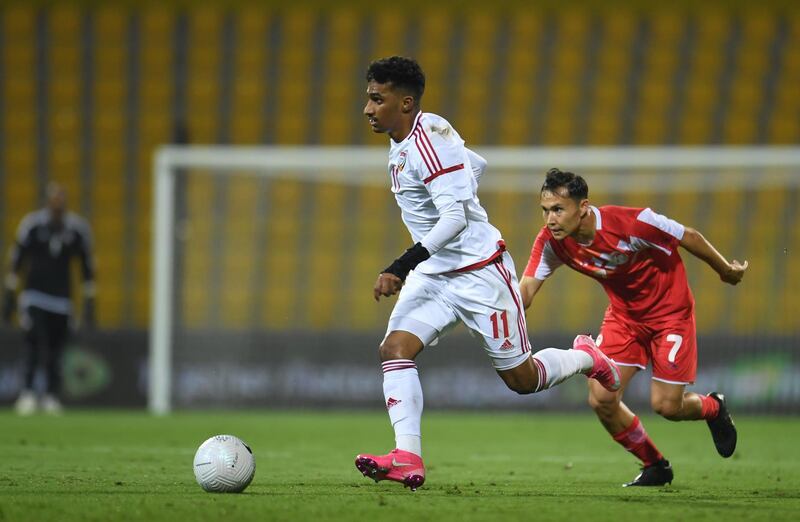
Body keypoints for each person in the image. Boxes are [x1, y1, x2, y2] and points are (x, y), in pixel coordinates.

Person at [354, 56, 621, 491]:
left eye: (376, 99)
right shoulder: (419, 133)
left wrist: (400, 265)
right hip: (435, 274)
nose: (367, 109)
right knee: (395, 348)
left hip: (481, 274)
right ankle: (407, 456)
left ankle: (588, 356)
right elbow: (474, 165)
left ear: (404, 103)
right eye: (368, 98)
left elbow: (454, 219)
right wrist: (459, 188)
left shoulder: (428, 143)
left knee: (522, 379)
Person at [520, 168, 747, 487]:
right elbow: (525, 292)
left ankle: (713, 407)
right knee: (601, 398)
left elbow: (689, 236)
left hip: (670, 313)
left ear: (583, 207)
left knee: (667, 406)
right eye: (545, 211)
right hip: (624, 319)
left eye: (558, 209)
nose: (550, 219)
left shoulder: (634, 223)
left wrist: (724, 270)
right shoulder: (551, 243)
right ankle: (654, 464)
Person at [3, 183, 96, 415]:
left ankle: (51, 395)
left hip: (62, 301)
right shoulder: (32, 225)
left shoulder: (76, 230)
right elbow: (17, 260)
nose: (57, 204)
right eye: (54, 199)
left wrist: (89, 300)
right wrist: (9, 294)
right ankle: (27, 393)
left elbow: (86, 267)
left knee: (56, 349)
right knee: (33, 344)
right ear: (47, 201)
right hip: (35, 296)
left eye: (60, 199)